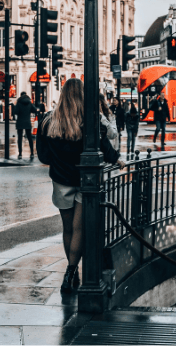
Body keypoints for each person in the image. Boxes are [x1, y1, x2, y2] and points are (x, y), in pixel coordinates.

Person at [36, 79, 124, 293]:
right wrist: (117, 159)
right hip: (84, 181)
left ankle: (71, 274)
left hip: (60, 181)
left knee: (67, 229)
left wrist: (58, 160)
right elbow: (104, 147)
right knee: (79, 230)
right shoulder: (89, 121)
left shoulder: (48, 121)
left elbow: (43, 155)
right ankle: (71, 271)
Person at [15, 92, 38, 160]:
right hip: (27, 122)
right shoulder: (29, 102)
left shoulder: (19, 102)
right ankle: (32, 153)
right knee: (29, 138)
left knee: (20, 138)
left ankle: (20, 154)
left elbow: (15, 112)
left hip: (20, 122)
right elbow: (34, 110)